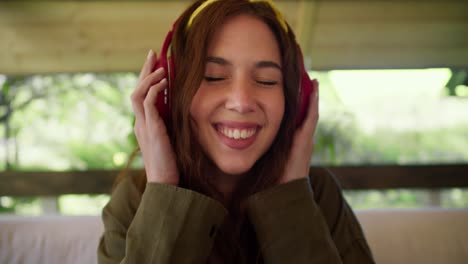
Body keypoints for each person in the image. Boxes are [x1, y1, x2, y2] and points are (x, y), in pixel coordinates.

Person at [98, 0, 375, 263]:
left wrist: (292, 199)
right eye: (213, 76)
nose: (241, 102)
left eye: (267, 81)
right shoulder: (134, 200)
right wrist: (164, 192)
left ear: (296, 100)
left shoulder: (319, 193)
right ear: (171, 91)